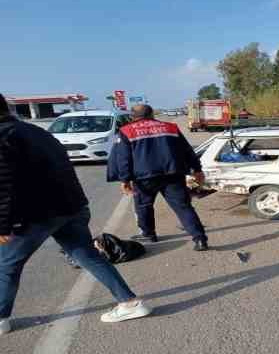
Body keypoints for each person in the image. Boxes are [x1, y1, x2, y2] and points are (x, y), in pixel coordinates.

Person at [0, 94, 151, 335]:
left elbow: (4, 183)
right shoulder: (36, 132)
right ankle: (130, 302)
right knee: (87, 256)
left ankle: (1, 318)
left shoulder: (5, 135)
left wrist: (3, 225)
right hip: (71, 207)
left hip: (36, 214)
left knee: (6, 265)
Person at [107, 104, 210, 251]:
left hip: (144, 178)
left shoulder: (127, 131)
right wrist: (197, 169)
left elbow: (124, 159)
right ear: (152, 114)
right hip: (173, 175)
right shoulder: (171, 128)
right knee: (183, 207)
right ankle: (200, 239)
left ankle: (149, 234)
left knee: (143, 206)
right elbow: (187, 150)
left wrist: (125, 179)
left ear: (132, 116)